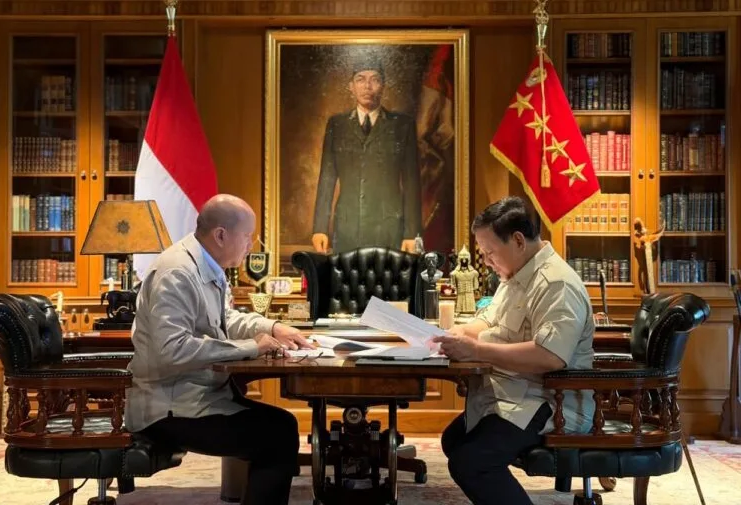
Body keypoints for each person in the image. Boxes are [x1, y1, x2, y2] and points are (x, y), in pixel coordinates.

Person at [125, 194, 315, 505]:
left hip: (198, 396)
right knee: (276, 435)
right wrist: (251, 348)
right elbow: (171, 349)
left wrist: (272, 327)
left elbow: (226, 319)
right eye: (247, 236)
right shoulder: (176, 273)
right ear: (221, 235)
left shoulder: (206, 264)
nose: (250, 245)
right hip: (168, 407)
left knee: (281, 426)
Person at [431, 196, 595, 505]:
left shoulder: (556, 284)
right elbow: (489, 320)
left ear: (518, 241)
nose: (486, 261)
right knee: (455, 440)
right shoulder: (516, 275)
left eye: (490, 252)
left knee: (471, 461)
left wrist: (476, 350)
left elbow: (549, 356)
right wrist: (459, 334)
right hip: (518, 391)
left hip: (551, 401)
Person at [311, 53, 422, 254]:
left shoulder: (402, 125)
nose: (367, 87)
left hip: (389, 230)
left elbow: (411, 182)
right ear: (351, 86)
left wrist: (412, 233)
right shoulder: (337, 125)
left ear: (383, 85)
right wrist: (320, 228)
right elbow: (327, 179)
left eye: (375, 80)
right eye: (360, 79)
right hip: (347, 230)